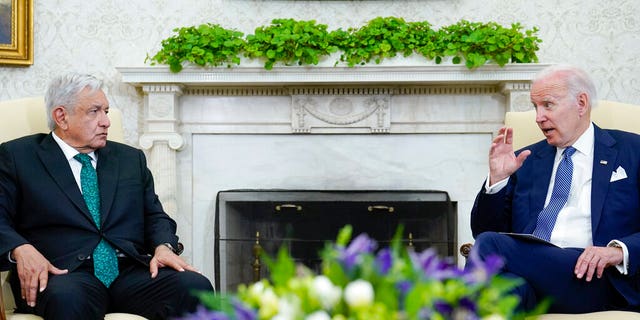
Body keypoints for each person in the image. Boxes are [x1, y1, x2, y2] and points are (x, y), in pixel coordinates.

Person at [0, 73, 213, 319]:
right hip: (63, 273)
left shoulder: (130, 159)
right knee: (68, 298)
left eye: (107, 112)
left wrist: (164, 247)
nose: (106, 122)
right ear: (62, 117)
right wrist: (20, 247)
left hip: (130, 273)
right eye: (94, 112)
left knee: (196, 286)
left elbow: (155, 215)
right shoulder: (18, 157)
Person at [469, 64, 640, 313]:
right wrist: (497, 181)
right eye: (535, 107)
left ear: (581, 103)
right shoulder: (525, 160)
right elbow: (485, 232)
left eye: (548, 105)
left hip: (596, 278)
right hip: (533, 276)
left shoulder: (632, 150)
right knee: (504, 291)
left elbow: (490, 244)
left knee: (490, 246)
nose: (538, 117)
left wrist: (617, 251)